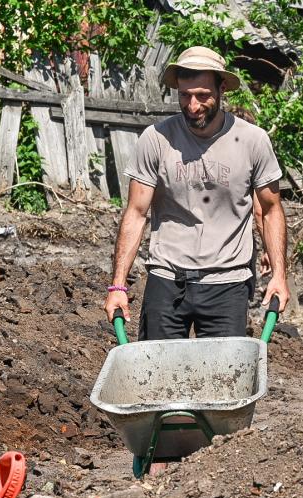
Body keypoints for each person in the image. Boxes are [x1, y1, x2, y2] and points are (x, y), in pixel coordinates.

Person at [103, 46, 289, 339]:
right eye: (185, 95)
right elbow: (136, 213)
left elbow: (269, 210)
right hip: (167, 278)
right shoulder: (157, 139)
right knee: (157, 366)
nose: (192, 106)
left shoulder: (252, 141)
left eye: (202, 95)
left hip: (227, 282)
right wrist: (118, 286)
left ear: (222, 88)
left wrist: (279, 274)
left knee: (224, 369)